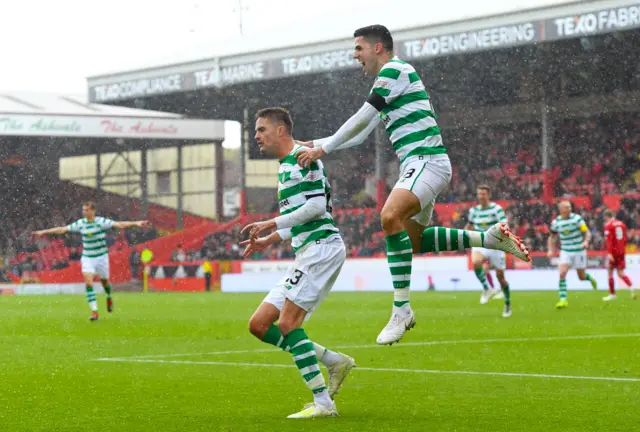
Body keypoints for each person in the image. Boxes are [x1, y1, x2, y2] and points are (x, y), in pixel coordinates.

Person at [296, 24, 529, 344]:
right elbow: (361, 134)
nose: (355, 55)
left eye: (359, 48)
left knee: (389, 216)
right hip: (420, 165)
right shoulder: (389, 83)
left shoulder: (394, 70)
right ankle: (487, 239)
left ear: (378, 48)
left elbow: (362, 117)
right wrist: (307, 143)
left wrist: (322, 149)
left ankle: (402, 309)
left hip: (426, 161)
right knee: (413, 242)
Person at [241, 107, 355, 419]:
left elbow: (318, 207)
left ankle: (323, 404)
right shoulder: (284, 167)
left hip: (322, 248)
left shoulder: (305, 157)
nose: (256, 136)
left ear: (281, 130)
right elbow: (301, 218)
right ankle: (333, 361)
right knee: (259, 325)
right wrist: (271, 238)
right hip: (307, 250)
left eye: (262, 129)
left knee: (288, 324)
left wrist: (271, 223)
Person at [33, 202, 150, 321]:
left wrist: (136, 223)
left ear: (93, 211)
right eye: (83, 210)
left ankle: (108, 297)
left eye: (87, 210)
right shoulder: (81, 223)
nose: (84, 212)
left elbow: (119, 224)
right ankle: (94, 311)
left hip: (101, 257)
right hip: (88, 257)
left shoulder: (100, 222)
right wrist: (44, 232)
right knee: (89, 282)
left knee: (104, 281)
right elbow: (62, 229)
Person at [465, 185, 512, 317]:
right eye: (479, 194)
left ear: (488, 195)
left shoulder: (496, 209)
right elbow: (469, 225)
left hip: (496, 244)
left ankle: (508, 303)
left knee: (500, 278)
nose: (481, 196)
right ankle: (487, 289)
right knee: (475, 262)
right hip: (480, 241)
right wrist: (462, 236)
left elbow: (504, 225)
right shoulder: (474, 211)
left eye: (483, 194)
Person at [547, 201, 598, 309]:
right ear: (561, 209)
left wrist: (586, 242)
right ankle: (563, 299)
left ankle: (589, 278)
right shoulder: (556, 222)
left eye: (570, 207)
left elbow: (587, 232)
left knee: (581, 276)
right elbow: (552, 237)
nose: (569, 209)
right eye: (566, 207)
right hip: (565, 251)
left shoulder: (577, 219)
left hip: (579, 250)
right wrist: (550, 250)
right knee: (562, 273)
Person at [603, 209, 635, 300]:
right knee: (620, 273)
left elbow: (608, 240)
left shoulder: (608, 225)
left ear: (606, 216)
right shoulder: (622, 224)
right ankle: (631, 286)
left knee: (610, 271)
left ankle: (612, 294)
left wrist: (609, 253)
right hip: (621, 251)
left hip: (613, 251)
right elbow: (625, 238)